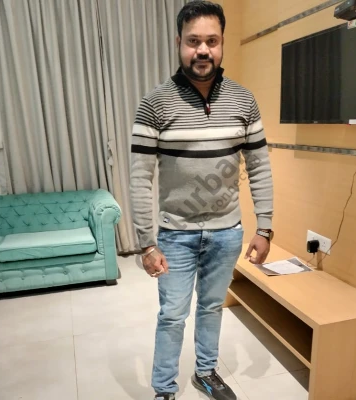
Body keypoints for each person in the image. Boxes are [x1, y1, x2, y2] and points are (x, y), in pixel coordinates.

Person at [130, 2, 274, 399]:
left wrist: (265, 227)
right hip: (175, 235)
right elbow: (140, 178)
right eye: (194, 41)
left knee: (212, 308)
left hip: (227, 233)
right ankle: (164, 389)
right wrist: (146, 243)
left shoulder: (244, 101)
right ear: (179, 42)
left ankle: (206, 373)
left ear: (222, 43)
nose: (203, 50)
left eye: (212, 40)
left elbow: (259, 167)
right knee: (173, 315)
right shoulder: (154, 104)